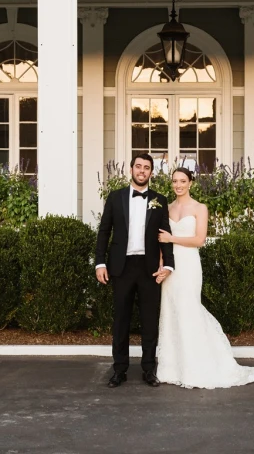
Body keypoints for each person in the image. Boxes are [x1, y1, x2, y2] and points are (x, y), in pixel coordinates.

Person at [155, 166, 254, 389]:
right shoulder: (167, 207)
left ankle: (197, 366)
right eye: (175, 181)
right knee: (172, 309)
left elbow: (199, 240)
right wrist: (162, 264)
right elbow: (160, 242)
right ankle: (173, 367)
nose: (178, 185)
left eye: (182, 181)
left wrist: (171, 238)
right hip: (171, 265)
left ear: (191, 183)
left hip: (189, 263)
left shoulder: (200, 208)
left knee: (189, 308)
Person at [95, 152, 175, 387]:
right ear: (131, 170)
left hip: (149, 268)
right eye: (138, 166)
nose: (142, 171)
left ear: (151, 172)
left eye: (147, 167)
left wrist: (168, 264)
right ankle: (119, 369)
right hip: (121, 267)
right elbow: (104, 232)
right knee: (121, 320)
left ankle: (149, 369)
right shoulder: (115, 197)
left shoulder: (160, 200)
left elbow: (164, 235)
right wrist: (100, 262)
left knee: (149, 321)